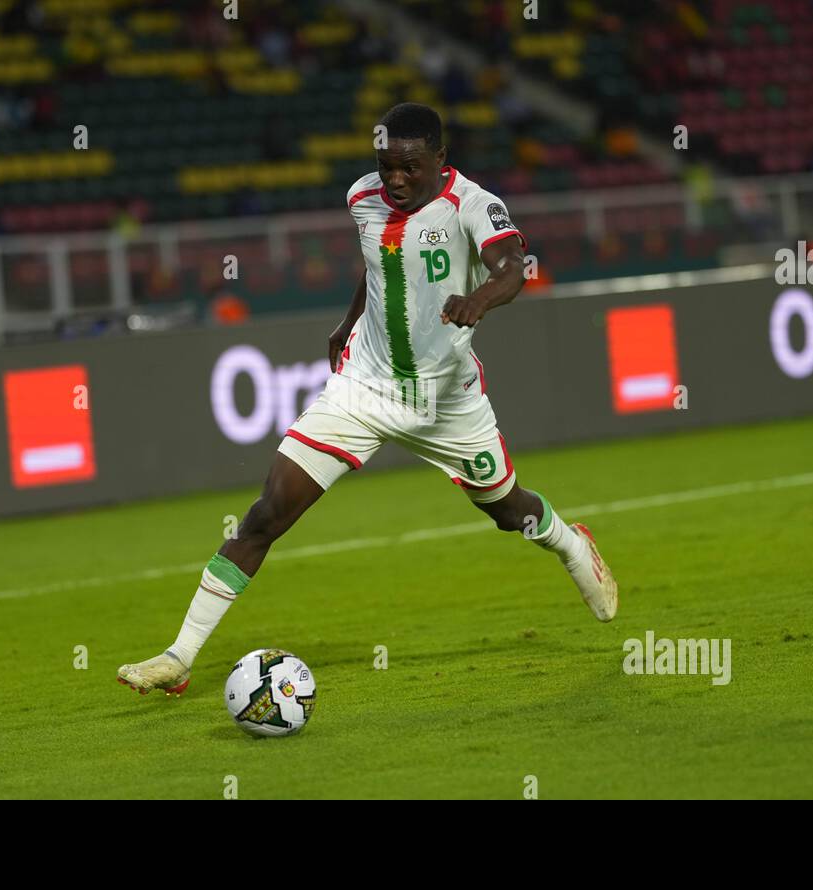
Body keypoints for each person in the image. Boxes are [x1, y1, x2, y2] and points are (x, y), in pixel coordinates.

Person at [117, 103, 618, 696]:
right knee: (266, 513)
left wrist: (478, 301)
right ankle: (179, 657)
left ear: (439, 160)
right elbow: (380, 265)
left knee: (509, 511)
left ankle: (566, 539)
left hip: (446, 401)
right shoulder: (363, 197)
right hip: (364, 387)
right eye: (386, 167)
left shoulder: (474, 205)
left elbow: (513, 267)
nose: (396, 181)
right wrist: (346, 321)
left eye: (410, 168)